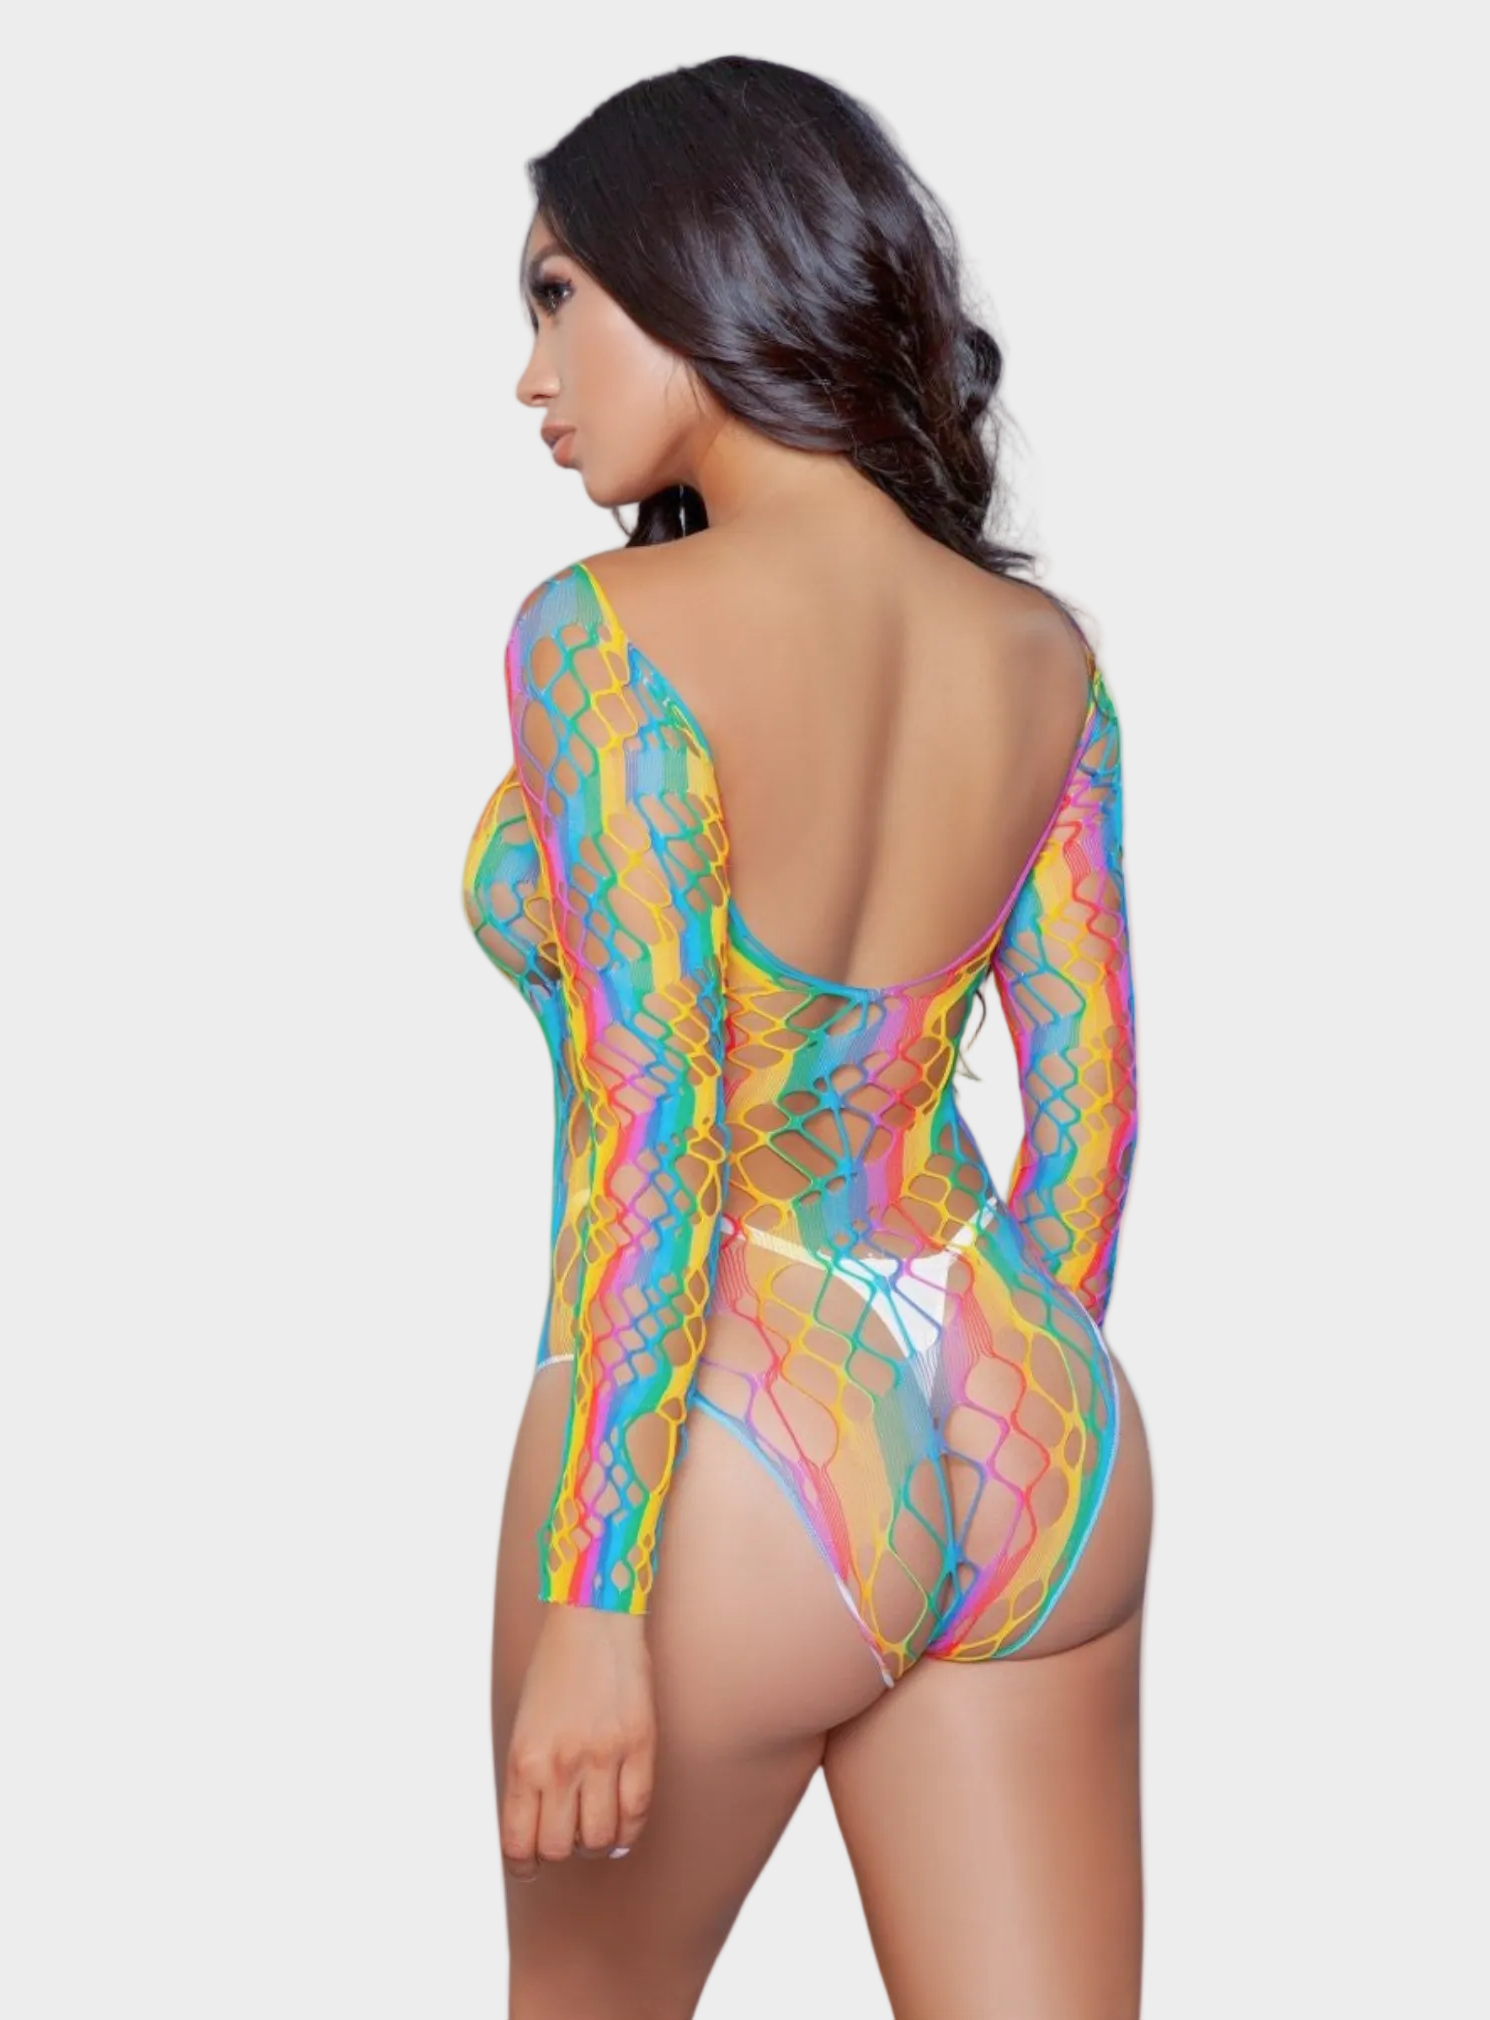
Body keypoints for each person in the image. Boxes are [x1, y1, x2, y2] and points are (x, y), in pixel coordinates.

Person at [462, 54, 1154, 2020]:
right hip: (1027, 1420)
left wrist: (598, 1598)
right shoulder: (1040, 654)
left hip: (725, 1450)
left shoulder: (601, 637)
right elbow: (1090, 1099)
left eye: (558, 296)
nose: (531, 376)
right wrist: (992, 1415)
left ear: (699, 273)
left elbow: (655, 1118)